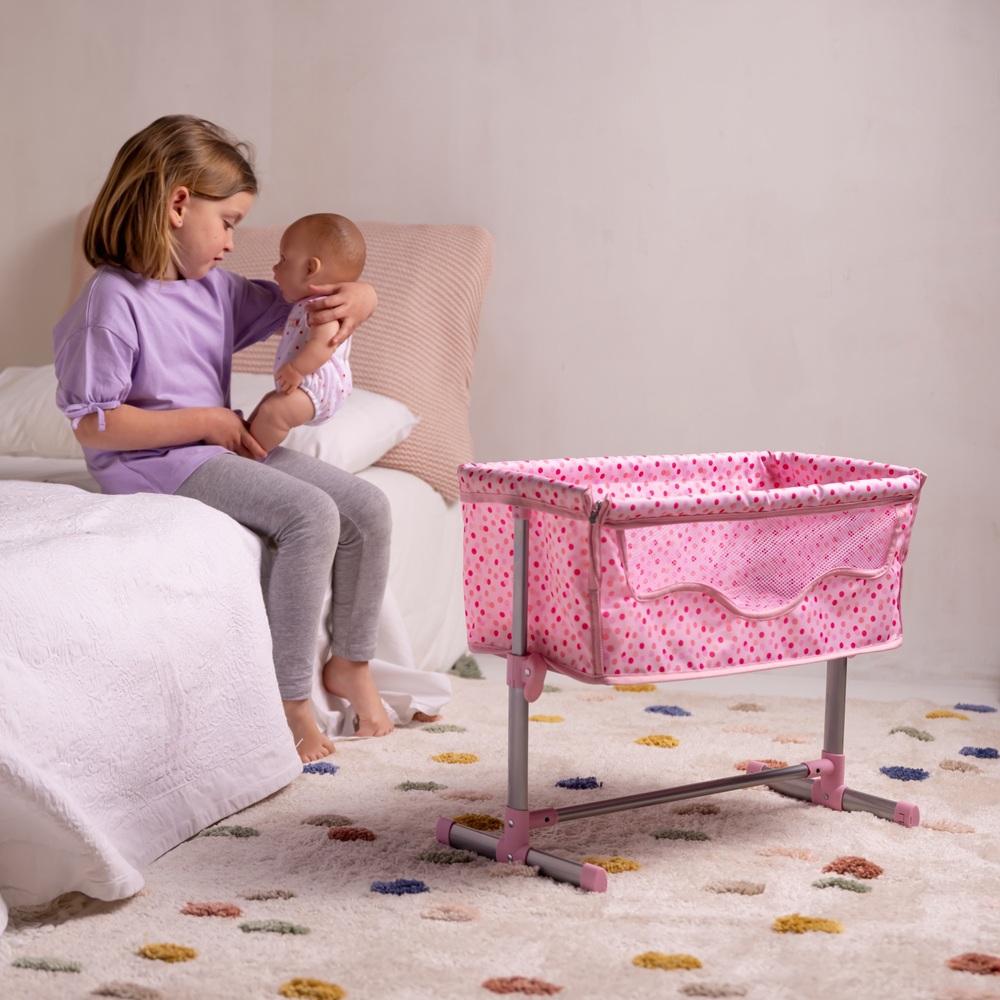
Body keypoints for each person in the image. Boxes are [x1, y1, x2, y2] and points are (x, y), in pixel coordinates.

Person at [53, 115, 396, 763]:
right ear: (179, 204)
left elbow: (308, 298)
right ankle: (288, 696)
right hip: (148, 462)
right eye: (230, 222)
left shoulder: (213, 288)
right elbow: (95, 423)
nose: (233, 243)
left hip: (213, 447)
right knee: (309, 515)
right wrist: (210, 422)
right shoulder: (112, 300)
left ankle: (349, 661)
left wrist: (367, 296)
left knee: (367, 509)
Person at [247, 213, 365, 454]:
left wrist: (297, 369)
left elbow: (324, 345)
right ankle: (246, 440)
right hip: (307, 386)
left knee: (273, 413)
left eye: (283, 259)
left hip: (319, 387)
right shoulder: (305, 304)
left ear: (311, 268)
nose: (275, 267)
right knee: (267, 406)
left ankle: (249, 457)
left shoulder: (326, 307)